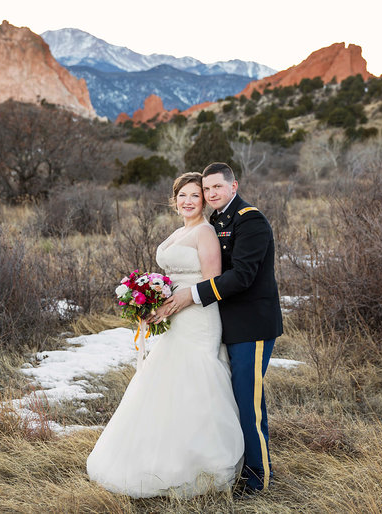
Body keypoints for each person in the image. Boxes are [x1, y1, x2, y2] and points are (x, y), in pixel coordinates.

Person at [86, 172, 244, 498]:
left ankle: (200, 463)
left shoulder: (206, 233)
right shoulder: (179, 231)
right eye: (182, 195)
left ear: (204, 200)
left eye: (194, 196)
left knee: (193, 380)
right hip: (174, 313)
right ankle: (155, 456)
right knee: (165, 382)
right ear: (174, 200)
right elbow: (172, 276)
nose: (188, 201)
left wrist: (175, 302)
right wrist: (150, 298)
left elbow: (212, 282)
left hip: (199, 317)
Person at [160, 162, 283, 496]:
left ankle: (258, 478)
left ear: (233, 185)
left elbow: (242, 276)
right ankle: (235, 466)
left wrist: (192, 294)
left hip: (251, 325)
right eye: (207, 188)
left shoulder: (250, 219)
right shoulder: (215, 220)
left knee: (248, 402)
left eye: (217, 187)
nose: (212, 193)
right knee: (226, 400)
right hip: (221, 323)